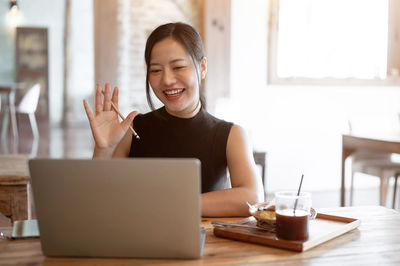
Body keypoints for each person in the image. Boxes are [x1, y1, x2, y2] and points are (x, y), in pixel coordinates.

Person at [83, 22, 264, 217]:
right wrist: (103, 150)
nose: (167, 80)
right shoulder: (132, 129)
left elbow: (252, 197)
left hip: (206, 245)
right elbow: (99, 200)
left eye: (178, 66)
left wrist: (169, 203)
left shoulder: (231, 134)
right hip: (137, 242)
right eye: (155, 70)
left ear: (202, 67)